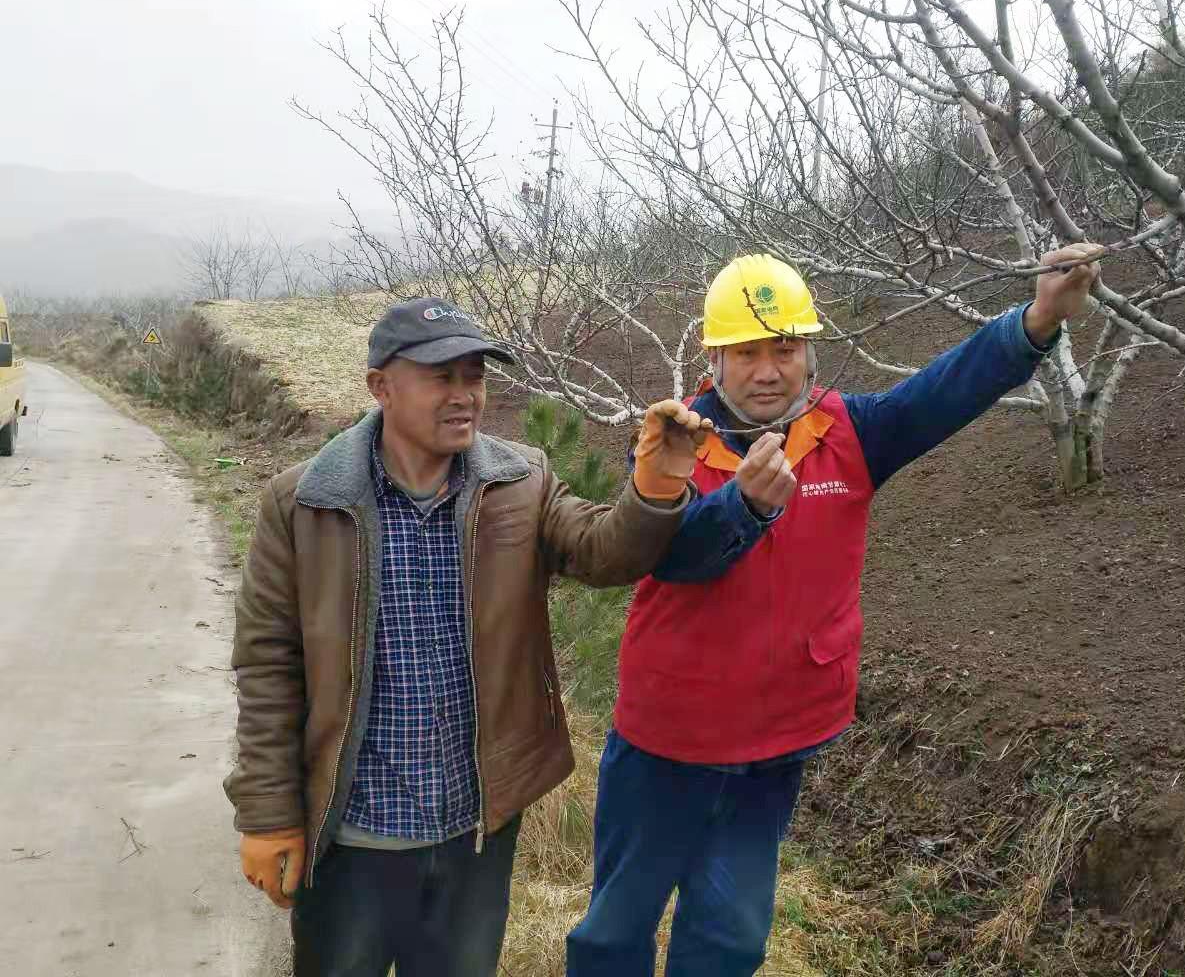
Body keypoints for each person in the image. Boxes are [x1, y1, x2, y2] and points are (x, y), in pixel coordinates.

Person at [567, 245, 1103, 976]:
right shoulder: (673, 441)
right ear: (714, 361)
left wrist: (1038, 319)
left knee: (730, 941)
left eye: (783, 348)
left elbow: (943, 392)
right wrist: (745, 507)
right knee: (615, 929)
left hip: (773, 742)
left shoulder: (849, 432)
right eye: (747, 351)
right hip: (669, 738)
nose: (766, 370)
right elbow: (676, 558)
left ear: (809, 353)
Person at [223, 297, 708, 977]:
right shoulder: (304, 502)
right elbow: (269, 666)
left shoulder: (520, 480)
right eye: (441, 377)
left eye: (474, 376)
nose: (465, 396)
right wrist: (269, 813)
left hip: (473, 831)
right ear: (380, 386)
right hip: (353, 832)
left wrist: (656, 484)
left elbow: (603, 552)